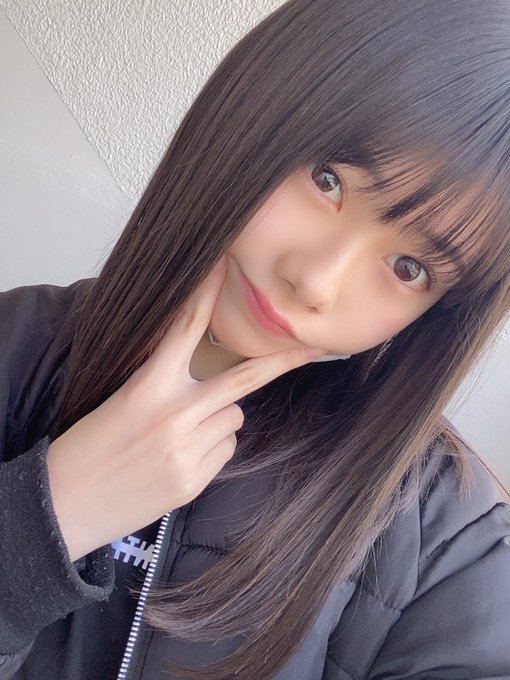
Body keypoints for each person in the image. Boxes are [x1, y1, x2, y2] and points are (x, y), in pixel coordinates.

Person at [1, 0, 510, 678]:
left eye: (409, 268)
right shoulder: (15, 345)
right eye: (328, 181)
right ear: (255, 112)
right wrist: (52, 516)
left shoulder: (450, 537)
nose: (316, 281)